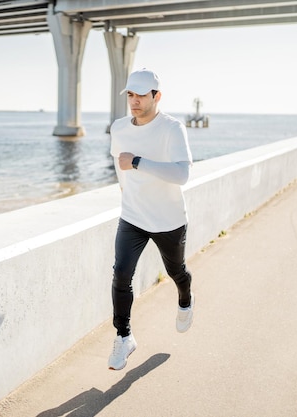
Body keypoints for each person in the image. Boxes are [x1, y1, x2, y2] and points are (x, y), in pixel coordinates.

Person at [107, 68, 195, 371]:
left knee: (176, 272)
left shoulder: (172, 128)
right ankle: (124, 336)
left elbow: (182, 174)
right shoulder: (118, 128)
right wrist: (127, 194)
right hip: (132, 216)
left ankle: (185, 297)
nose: (134, 101)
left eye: (141, 95)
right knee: (121, 274)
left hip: (168, 220)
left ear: (156, 96)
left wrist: (139, 162)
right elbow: (120, 168)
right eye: (130, 95)